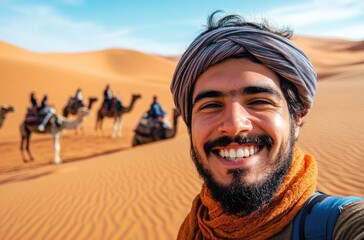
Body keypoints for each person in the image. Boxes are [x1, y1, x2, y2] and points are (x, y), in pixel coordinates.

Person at [170, 11, 364, 239]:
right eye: (211, 105)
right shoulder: (197, 228)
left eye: (259, 102)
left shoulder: (341, 224)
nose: (234, 125)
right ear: (190, 125)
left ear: (297, 116)